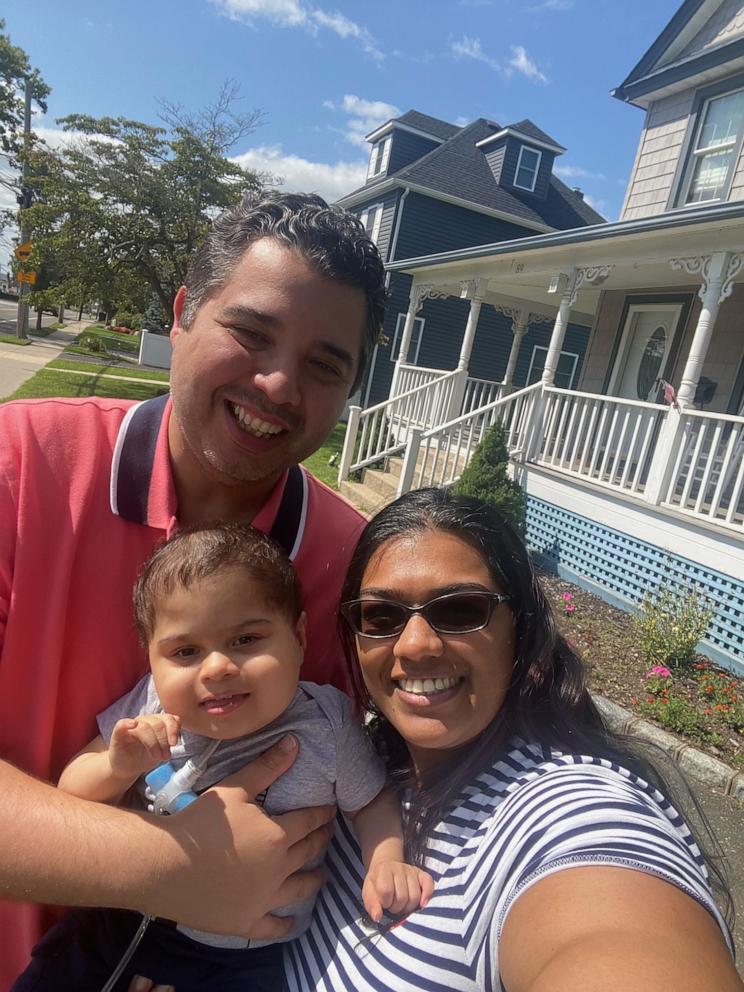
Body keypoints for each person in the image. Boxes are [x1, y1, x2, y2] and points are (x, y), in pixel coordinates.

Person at [0, 191, 386, 987]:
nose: (280, 384)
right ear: (182, 314)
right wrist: (170, 865)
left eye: (324, 365)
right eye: (250, 332)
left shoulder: (356, 568)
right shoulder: (19, 463)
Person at [285, 488, 741, 992]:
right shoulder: (358, 758)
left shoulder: (570, 813)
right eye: (382, 617)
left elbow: (614, 933)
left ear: (520, 629)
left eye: (460, 610)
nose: (415, 645)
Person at [13, 523, 433, 991]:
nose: (217, 667)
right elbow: (72, 790)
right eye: (186, 651)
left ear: (298, 637)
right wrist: (118, 766)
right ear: (151, 659)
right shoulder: (152, 705)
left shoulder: (326, 723)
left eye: (246, 640)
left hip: (243, 953)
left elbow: (371, 801)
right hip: (122, 917)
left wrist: (386, 858)